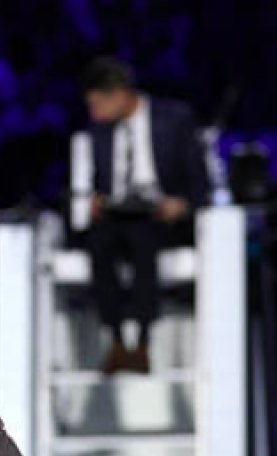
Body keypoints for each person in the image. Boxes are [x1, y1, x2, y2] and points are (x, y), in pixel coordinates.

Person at [80, 57, 210, 373]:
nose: (93, 114)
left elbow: (200, 182)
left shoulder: (175, 119)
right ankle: (116, 341)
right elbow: (85, 180)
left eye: (98, 105)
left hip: (162, 218)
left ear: (120, 94)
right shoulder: (98, 132)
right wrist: (93, 201)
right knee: (99, 245)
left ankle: (143, 342)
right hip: (116, 217)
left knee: (142, 239)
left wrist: (181, 204)